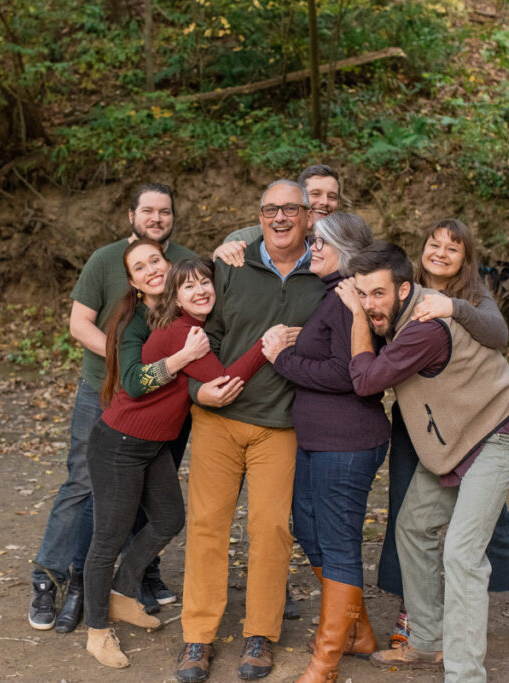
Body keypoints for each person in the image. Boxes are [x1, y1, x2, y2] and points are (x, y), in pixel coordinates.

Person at [28, 183, 239, 632]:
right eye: (148, 210)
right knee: (85, 486)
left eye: (165, 211)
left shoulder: (181, 261)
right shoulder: (107, 262)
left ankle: (134, 578)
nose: (156, 218)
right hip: (106, 391)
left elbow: (206, 296)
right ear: (131, 215)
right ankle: (54, 579)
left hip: (162, 402)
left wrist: (232, 247)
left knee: (148, 494)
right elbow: (79, 324)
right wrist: (131, 364)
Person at [336, 241, 509, 683]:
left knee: (462, 554)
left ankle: (465, 675)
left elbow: (366, 381)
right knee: (412, 528)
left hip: (496, 434)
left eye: (377, 295)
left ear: (404, 290)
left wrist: (353, 317)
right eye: (361, 295)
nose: (369, 305)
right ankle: (428, 644)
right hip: (456, 442)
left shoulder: (423, 328)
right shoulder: (409, 310)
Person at [85, 247, 272, 667]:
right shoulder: (178, 331)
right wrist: (264, 345)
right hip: (119, 444)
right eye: (190, 285)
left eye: (205, 283)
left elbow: (197, 382)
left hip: (150, 445)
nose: (200, 289)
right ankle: (98, 631)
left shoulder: (184, 323)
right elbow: (218, 382)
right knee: (107, 541)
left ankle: (122, 593)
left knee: (168, 520)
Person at [176, 180, 326, 682]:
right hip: (218, 419)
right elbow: (202, 338)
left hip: (279, 425)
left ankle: (260, 633)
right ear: (258, 217)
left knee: (270, 529)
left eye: (290, 209)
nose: (279, 218)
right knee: (207, 527)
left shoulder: (326, 273)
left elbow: (340, 339)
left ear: (308, 215)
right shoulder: (233, 264)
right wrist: (199, 393)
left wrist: (306, 339)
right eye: (269, 210)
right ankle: (197, 638)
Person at [378, 219, 509, 650]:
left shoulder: (471, 293)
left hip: (476, 421)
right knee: (408, 514)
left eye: (453, 249)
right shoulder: (402, 286)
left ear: (465, 258)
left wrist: (453, 309)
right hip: (420, 420)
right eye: (434, 244)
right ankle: (415, 612)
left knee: (486, 517)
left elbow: (498, 332)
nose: (440, 253)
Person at [261, 213, 388, 683]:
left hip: (347, 443)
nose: (311, 248)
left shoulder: (348, 298)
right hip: (317, 441)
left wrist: (282, 358)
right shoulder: (332, 294)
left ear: (347, 252)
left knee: (336, 543)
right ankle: (359, 634)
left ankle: (325, 662)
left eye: (320, 243)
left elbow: (347, 376)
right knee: (310, 531)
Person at [213, 164, 341, 268]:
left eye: (332, 197)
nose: (324, 202)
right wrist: (219, 256)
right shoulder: (245, 239)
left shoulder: (342, 243)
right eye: (315, 194)